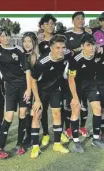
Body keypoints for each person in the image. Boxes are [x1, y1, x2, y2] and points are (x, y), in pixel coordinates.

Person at [30, 34, 73, 158]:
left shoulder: (66, 54)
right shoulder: (41, 63)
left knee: (57, 114)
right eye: (57, 47)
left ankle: (57, 144)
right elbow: (33, 81)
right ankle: (35, 147)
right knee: (36, 116)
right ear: (51, 48)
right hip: (41, 91)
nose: (61, 50)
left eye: (63, 47)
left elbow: (74, 51)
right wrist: (37, 100)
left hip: (56, 90)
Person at [0, 27, 31, 158]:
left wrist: (29, 89)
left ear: (10, 36)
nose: (5, 38)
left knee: (23, 114)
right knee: (8, 116)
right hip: (9, 87)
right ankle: (0, 148)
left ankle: (19, 145)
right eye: (2, 36)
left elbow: (27, 70)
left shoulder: (18, 50)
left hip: (23, 87)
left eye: (7, 35)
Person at [68, 34, 104, 153]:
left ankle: (96, 139)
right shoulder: (75, 60)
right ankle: (76, 142)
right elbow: (71, 79)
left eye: (93, 45)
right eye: (88, 45)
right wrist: (75, 98)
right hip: (77, 87)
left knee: (97, 108)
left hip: (91, 85)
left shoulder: (97, 55)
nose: (91, 48)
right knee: (75, 110)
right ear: (82, 46)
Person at [37, 14, 70, 146]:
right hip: (44, 82)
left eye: (52, 23)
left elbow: (69, 52)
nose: (51, 26)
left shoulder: (60, 39)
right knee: (43, 109)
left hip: (60, 81)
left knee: (59, 108)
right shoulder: (39, 43)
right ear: (42, 26)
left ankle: (60, 131)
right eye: (48, 23)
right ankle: (45, 133)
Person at [63, 11, 90, 139]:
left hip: (85, 73)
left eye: (83, 19)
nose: (81, 21)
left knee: (84, 103)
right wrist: (77, 50)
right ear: (73, 20)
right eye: (78, 18)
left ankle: (82, 126)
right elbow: (64, 52)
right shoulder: (66, 35)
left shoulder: (88, 34)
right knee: (70, 103)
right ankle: (68, 128)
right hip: (70, 73)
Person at [21, 31, 40, 149]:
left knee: (35, 113)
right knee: (27, 113)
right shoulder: (21, 55)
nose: (26, 44)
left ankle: (34, 138)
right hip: (24, 88)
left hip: (36, 89)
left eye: (29, 41)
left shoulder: (37, 56)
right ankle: (28, 137)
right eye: (24, 41)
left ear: (34, 42)